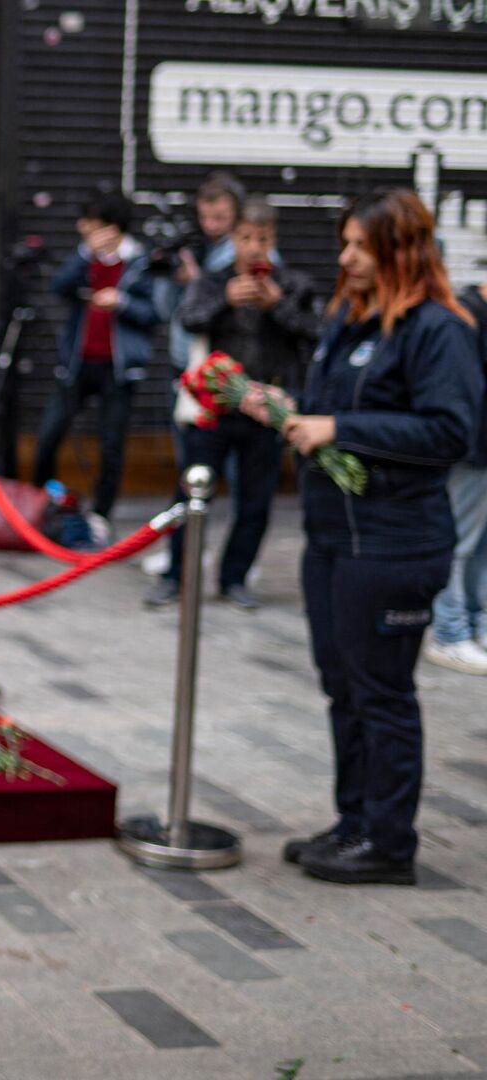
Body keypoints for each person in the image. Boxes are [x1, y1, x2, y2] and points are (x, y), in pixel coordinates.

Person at [267, 189, 482, 886]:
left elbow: (451, 432)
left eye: (360, 245)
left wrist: (340, 429)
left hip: (393, 545)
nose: (346, 257)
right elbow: (334, 414)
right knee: (344, 687)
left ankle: (390, 845)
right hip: (333, 539)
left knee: (383, 694)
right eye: (345, 243)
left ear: (400, 249)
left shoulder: (438, 329)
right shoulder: (349, 319)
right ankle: (353, 822)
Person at [148, 197, 317, 611]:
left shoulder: (294, 284)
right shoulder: (212, 280)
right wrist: (225, 298)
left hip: (266, 409)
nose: (254, 247)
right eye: (245, 238)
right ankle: (175, 575)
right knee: (190, 492)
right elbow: (188, 319)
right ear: (233, 238)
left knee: (256, 501)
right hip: (214, 406)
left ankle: (234, 578)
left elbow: (316, 333)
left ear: (273, 238)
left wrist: (277, 305)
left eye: (262, 238)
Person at [33, 192, 160, 540]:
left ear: (111, 227)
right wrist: (85, 254)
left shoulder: (140, 261)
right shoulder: (83, 259)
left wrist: (123, 302)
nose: (82, 228)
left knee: (111, 443)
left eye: (90, 223)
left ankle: (102, 513)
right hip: (77, 363)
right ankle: (41, 503)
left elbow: (154, 313)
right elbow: (58, 287)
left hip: (118, 369)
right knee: (49, 434)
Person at [423, 280, 487, 674]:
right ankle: (448, 632)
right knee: (459, 543)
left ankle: (476, 624)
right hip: (472, 449)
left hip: (481, 449)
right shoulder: (464, 314)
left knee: (480, 546)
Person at [159, 174, 246, 370]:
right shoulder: (194, 245)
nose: (210, 225)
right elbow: (163, 310)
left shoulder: (247, 251)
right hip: (183, 357)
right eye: (203, 217)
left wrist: (197, 281)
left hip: (224, 361)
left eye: (219, 218)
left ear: (237, 215)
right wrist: (170, 278)